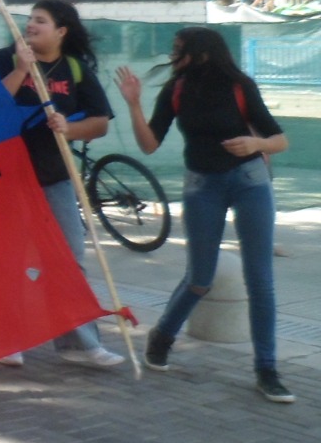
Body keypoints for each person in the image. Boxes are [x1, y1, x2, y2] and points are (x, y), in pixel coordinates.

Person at [116, 28, 294, 403]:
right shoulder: (177, 89)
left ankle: (267, 368)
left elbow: (279, 139)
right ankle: (162, 336)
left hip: (250, 181)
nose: (173, 54)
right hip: (202, 186)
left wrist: (256, 143)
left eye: (179, 49)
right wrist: (133, 104)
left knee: (260, 280)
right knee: (200, 278)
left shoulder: (239, 85)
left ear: (202, 53)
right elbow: (150, 144)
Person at [0, 0, 124, 368]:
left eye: (40, 21)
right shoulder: (4, 59)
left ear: (61, 31)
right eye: (30, 19)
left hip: (55, 178)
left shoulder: (76, 70)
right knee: (6, 261)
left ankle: (79, 345)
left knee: (67, 260)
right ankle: (4, 341)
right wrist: (20, 71)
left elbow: (99, 122)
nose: (30, 25)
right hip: (5, 179)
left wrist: (70, 128)